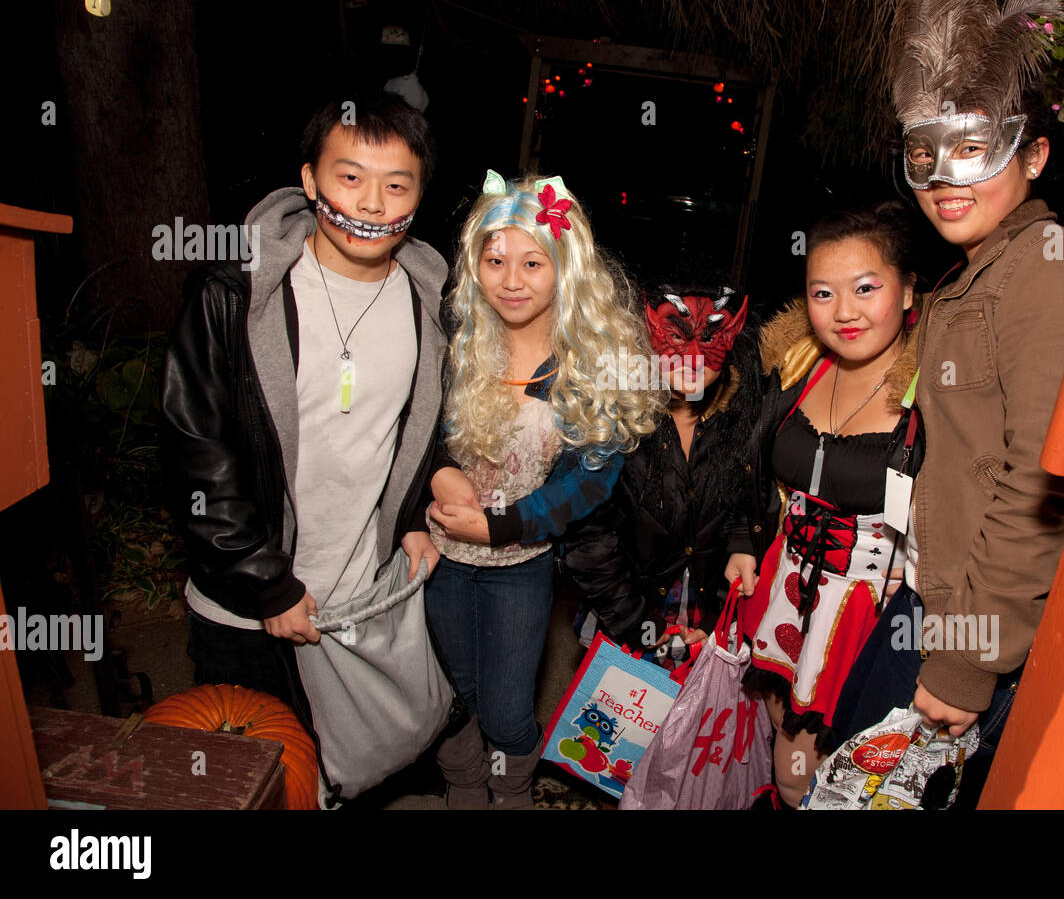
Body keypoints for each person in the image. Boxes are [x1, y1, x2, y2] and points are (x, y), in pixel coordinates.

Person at [831, 0, 1064, 807]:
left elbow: (1039, 478)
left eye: (974, 148)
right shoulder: (974, 276)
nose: (945, 176)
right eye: (925, 152)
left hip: (966, 627)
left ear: (1035, 153)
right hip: (930, 598)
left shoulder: (1047, 268)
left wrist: (968, 663)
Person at [161, 92, 447, 790]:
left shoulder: (436, 306)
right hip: (245, 609)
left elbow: (429, 430)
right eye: (350, 177)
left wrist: (416, 518)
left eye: (395, 184)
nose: (373, 202)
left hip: (356, 602)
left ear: (417, 196)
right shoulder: (233, 295)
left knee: (350, 769)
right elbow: (197, 451)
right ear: (311, 181)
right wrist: (265, 584)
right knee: (248, 784)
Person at [423, 171, 662, 809]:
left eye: (532, 262)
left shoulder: (584, 365)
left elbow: (590, 485)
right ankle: (464, 786)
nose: (511, 279)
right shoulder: (457, 348)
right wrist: (442, 473)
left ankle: (514, 790)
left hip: (520, 567)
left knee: (505, 710)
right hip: (437, 558)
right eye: (495, 260)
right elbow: (417, 438)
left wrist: (502, 527)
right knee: (450, 697)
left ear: (566, 268)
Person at [725, 203, 923, 808]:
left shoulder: (933, 393)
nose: (843, 312)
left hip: (866, 614)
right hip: (784, 589)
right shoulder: (797, 365)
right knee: (775, 743)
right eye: (822, 292)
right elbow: (746, 463)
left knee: (823, 777)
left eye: (866, 288)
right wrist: (739, 539)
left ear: (909, 291)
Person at [560, 276, 761, 668]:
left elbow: (745, 509)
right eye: (675, 336)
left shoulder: (740, 424)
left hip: (704, 619)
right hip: (625, 614)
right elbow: (588, 541)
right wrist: (639, 624)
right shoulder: (613, 424)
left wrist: (720, 613)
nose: (692, 357)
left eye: (711, 340)